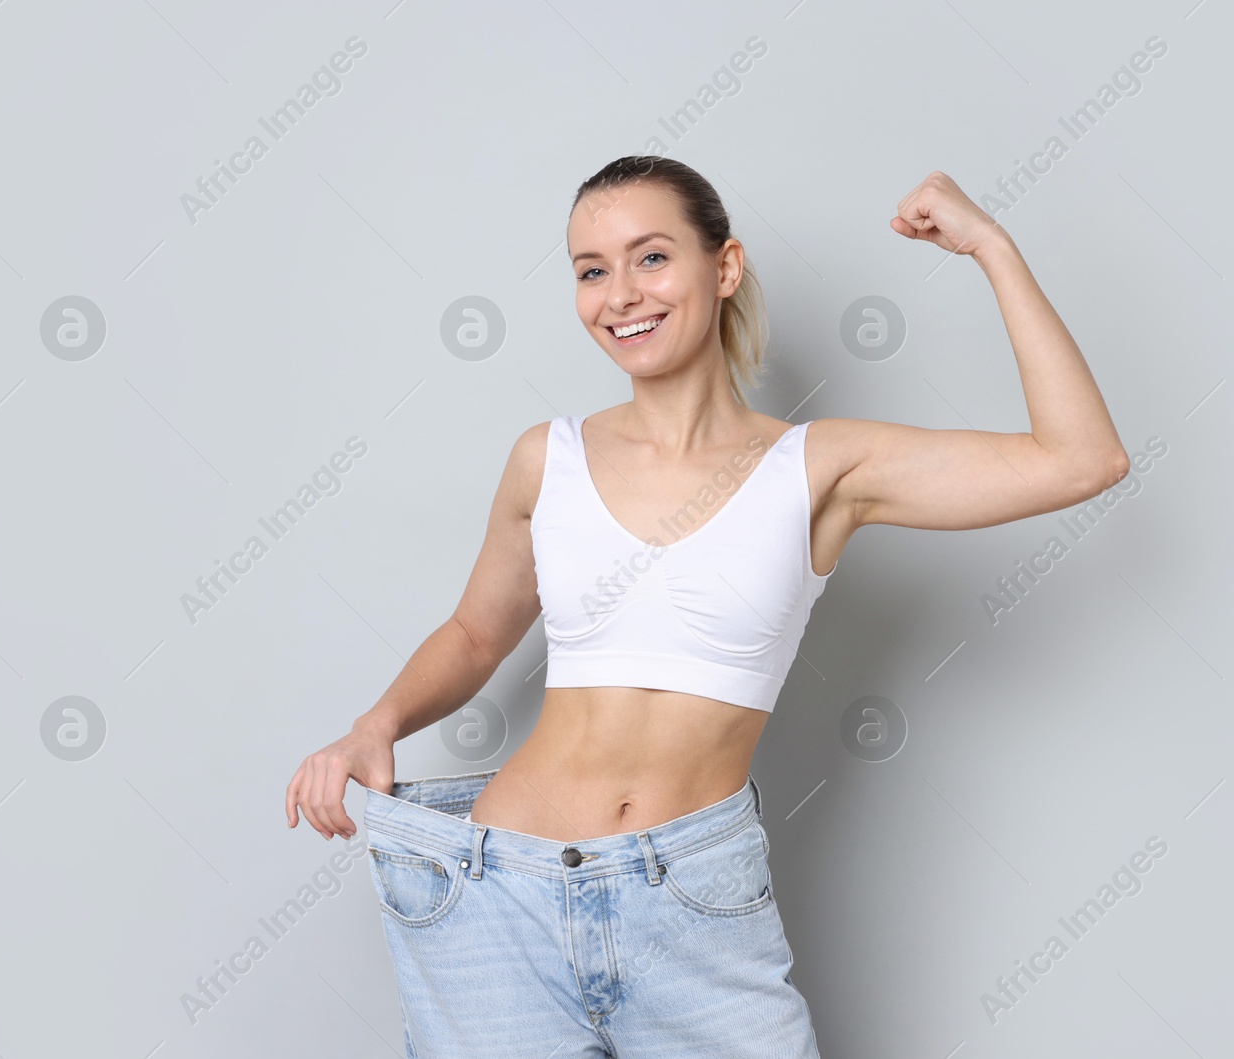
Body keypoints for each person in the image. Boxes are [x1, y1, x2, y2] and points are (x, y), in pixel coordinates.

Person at [285, 155, 1129, 1057]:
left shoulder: (819, 468)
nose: (619, 294)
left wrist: (990, 246)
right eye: (591, 270)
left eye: (651, 257)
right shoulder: (548, 459)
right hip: (498, 893)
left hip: (691, 903)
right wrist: (375, 724)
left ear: (723, 269)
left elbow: (1081, 459)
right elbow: (476, 632)